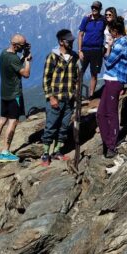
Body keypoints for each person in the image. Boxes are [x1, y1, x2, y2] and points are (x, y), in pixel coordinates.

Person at [0, 34, 32, 162]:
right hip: (14, 94)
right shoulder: (14, 58)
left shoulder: (3, 54)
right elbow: (26, 74)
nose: (23, 48)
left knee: (2, 120)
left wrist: (23, 57)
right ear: (15, 45)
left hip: (5, 93)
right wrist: (28, 61)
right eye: (22, 46)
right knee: (13, 121)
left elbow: (15, 66)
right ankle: (5, 151)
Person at [41, 28, 81, 166]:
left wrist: (75, 93)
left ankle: (57, 151)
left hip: (69, 98)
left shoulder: (74, 57)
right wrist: (51, 97)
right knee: (51, 126)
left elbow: (75, 77)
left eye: (72, 40)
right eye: (68, 40)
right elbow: (46, 78)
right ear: (61, 42)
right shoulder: (52, 57)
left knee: (64, 126)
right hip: (56, 98)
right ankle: (45, 153)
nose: (71, 42)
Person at [97, 16, 127, 158]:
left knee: (110, 113)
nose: (110, 34)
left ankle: (112, 144)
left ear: (116, 31)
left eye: (111, 31)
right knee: (100, 113)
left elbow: (109, 61)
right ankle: (108, 140)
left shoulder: (120, 43)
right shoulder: (121, 41)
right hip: (111, 80)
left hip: (115, 80)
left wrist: (109, 46)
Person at [78, 1, 107, 99]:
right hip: (85, 50)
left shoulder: (103, 20)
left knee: (94, 74)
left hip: (97, 50)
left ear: (100, 9)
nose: (94, 9)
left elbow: (111, 26)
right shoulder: (86, 19)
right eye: (93, 7)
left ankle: (91, 95)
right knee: (79, 73)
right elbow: (80, 35)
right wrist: (80, 50)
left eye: (96, 8)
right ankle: (77, 95)